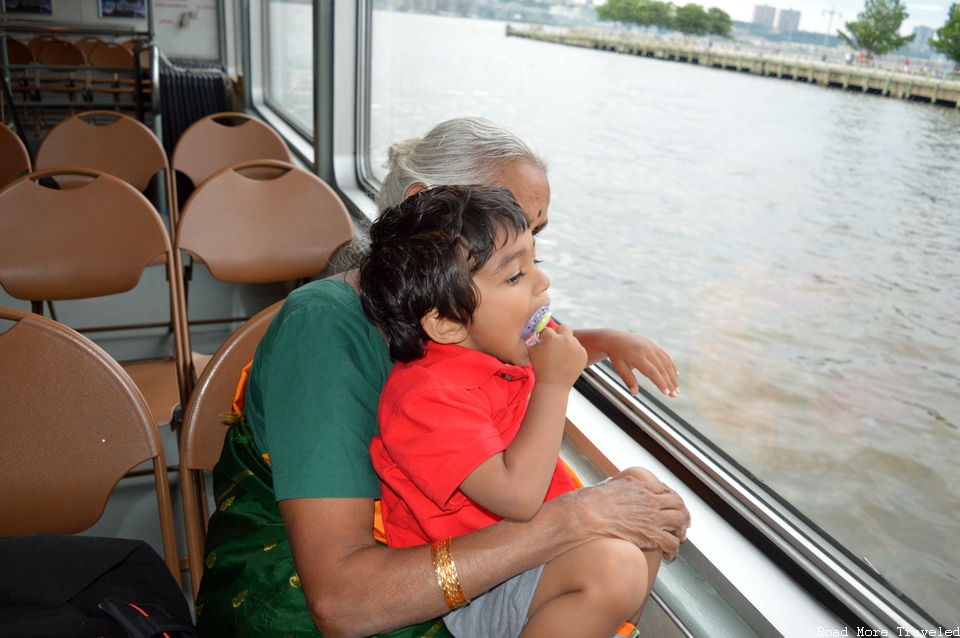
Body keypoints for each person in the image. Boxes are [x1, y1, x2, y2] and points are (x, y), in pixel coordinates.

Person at [195, 116, 690, 638]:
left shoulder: (466, 330)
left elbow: (546, 347)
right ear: (421, 208)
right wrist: (576, 517)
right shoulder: (325, 329)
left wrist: (600, 344)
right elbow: (341, 604)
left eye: (532, 242)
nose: (538, 280)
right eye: (507, 251)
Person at [360, 184, 662, 638]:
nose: (543, 282)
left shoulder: (499, 342)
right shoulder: (424, 399)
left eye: (534, 262)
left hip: (537, 545)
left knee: (647, 495)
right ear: (446, 322)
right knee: (614, 567)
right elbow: (518, 499)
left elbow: (562, 341)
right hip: (482, 577)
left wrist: (609, 341)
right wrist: (556, 385)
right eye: (515, 276)